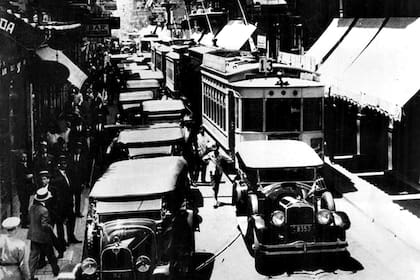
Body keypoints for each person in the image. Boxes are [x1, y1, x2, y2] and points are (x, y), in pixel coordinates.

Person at [27, 188, 60, 278]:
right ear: (45, 199)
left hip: (33, 236)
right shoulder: (44, 210)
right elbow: (44, 225)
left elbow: (29, 220)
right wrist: (50, 227)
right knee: (51, 255)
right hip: (43, 237)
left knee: (33, 257)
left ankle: (30, 275)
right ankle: (56, 272)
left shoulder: (32, 208)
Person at [51, 156, 81, 246]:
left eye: (65, 163)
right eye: (63, 163)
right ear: (59, 165)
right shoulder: (56, 176)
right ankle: (62, 241)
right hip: (61, 204)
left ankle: (71, 237)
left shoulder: (67, 174)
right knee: (60, 223)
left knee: (71, 220)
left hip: (69, 203)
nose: (65, 165)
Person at [37, 171, 64, 259]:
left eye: (44, 179)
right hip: (45, 217)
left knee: (51, 235)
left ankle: (58, 251)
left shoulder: (53, 189)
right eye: (42, 179)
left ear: (48, 180)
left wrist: (56, 213)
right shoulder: (39, 190)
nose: (43, 181)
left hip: (53, 215)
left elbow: (58, 202)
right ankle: (45, 256)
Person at [203, 144, 233, 208]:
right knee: (214, 185)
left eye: (216, 149)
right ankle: (214, 200)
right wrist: (208, 162)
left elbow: (230, 159)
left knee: (217, 185)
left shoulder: (221, 154)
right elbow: (204, 159)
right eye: (213, 149)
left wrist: (224, 163)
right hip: (212, 171)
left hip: (219, 171)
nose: (215, 151)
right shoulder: (210, 154)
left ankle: (216, 197)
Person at [68, 142, 87, 217]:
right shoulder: (70, 157)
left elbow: (84, 171)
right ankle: (70, 212)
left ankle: (77, 212)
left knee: (78, 198)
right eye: (77, 148)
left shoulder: (83, 158)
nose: (78, 150)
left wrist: (83, 182)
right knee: (70, 198)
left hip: (79, 182)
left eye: (79, 148)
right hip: (72, 181)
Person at [15, 152, 34, 228]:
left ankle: (25, 221)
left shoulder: (25, 165)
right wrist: (30, 176)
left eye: (25, 157)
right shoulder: (19, 166)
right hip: (22, 189)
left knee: (25, 205)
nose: (24, 158)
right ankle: (24, 223)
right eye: (23, 157)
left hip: (26, 189)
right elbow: (21, 177)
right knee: (24, 206)